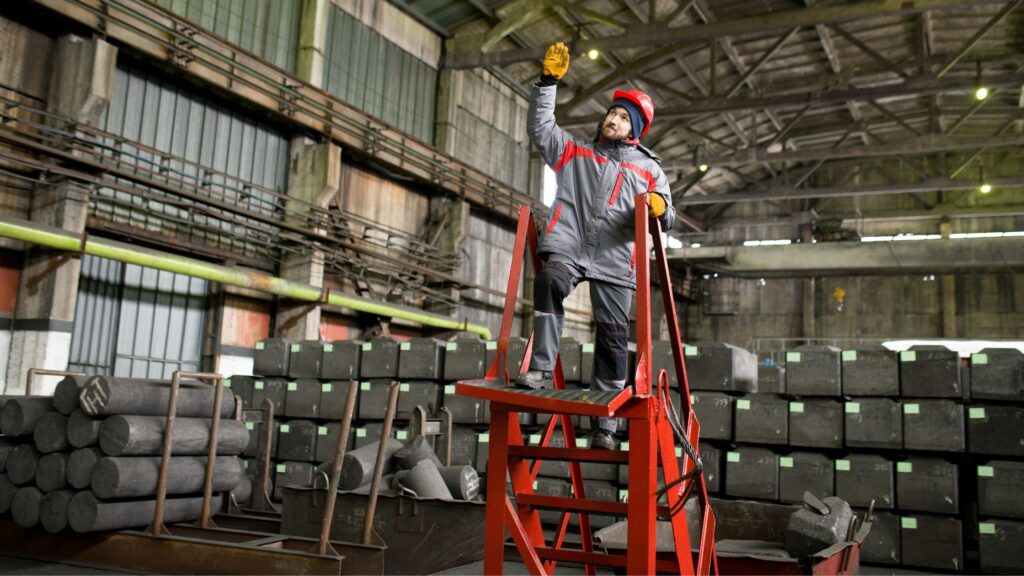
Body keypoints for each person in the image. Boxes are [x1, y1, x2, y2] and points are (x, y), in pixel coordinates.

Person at [518, 42, 676, 450]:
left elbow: (669, 214)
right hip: (570, 243)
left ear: (636, 129)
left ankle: (604, 426)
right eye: (612, 112)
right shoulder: (575, 152)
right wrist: (548, 83)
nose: (614, 119)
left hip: (615, 258)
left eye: (624, 117)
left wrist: (660, 206)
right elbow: (540, 128)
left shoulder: (649, 170)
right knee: (550, 280)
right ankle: (538, 368)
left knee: (611, 335)